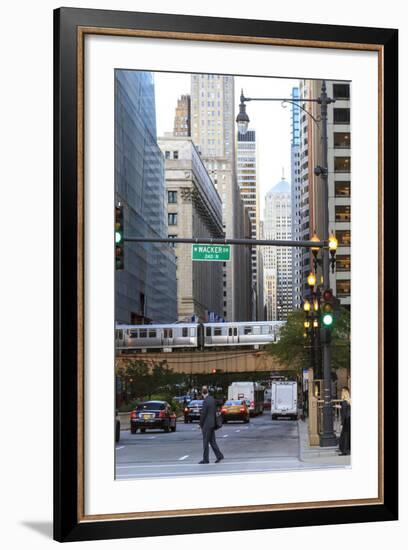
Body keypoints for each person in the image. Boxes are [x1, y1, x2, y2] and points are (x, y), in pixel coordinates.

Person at [199, 386, 224, 464]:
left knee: (205, 442)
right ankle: (219, 456)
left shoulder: (205, 401)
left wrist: (200, 424)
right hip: (212, 423)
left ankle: (206, 459)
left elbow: (203, 414)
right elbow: (219, 404)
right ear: (208, 392)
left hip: (207, 424)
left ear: (202, 393)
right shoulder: (212, 399)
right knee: (212, 441)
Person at [338, 387, 351, 455]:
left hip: (346, 421)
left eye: (342, 392)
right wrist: (340, 407)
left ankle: (345, 451)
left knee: (344, 436)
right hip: (349, 420)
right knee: (348, 435)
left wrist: (342, 423)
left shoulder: (344, 402)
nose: (341, 393)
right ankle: (347, 450)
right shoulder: (349, 401)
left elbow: (344, 414)